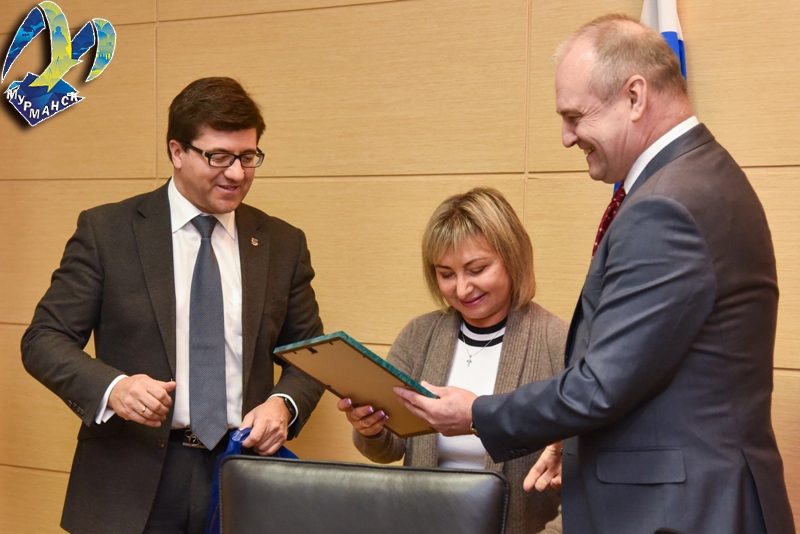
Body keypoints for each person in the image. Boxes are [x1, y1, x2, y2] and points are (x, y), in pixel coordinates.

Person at [394, 15, 795, 534]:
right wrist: (571, 443)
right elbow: (652, 370)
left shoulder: (667, 206)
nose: (566, 138)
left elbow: (602, 384)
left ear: (635, 96)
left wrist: (477, 413)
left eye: (574, 116)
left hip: (684, 510)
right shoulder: (701, 177)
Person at [21, 77, 325, 534]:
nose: (236, 174)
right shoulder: (108, 231)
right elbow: (44, 340)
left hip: (239, 470)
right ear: (177, 151)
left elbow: (312, 353)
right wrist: (114, 388)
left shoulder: (282, 243)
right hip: (130, 478)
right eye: (218, 157)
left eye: (247, 157)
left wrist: (283, 405)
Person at [338, 187, 566, 534]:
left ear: (513, 258)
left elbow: (585, 467)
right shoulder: (419, 335)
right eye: (446, 274)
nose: (462, 289)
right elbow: (389, 450)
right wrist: (371, 429)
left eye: (477, 269)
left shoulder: (557, 342)